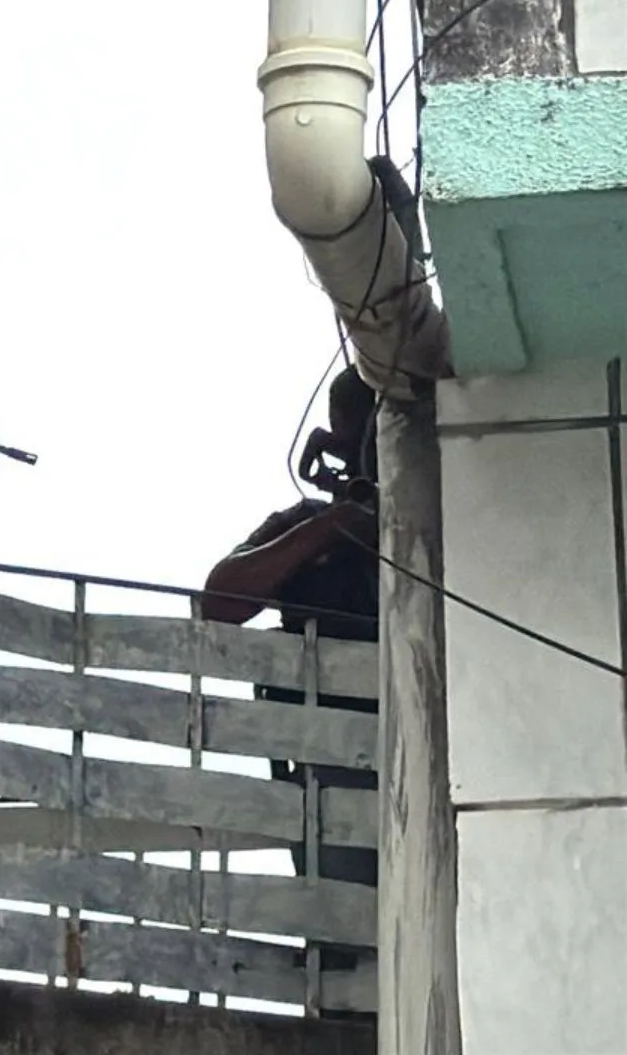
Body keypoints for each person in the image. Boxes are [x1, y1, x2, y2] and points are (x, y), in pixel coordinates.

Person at [200, 363, 378, 1017]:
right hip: (327, 768)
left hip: (422, 751)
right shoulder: (308, 525)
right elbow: (219, 601)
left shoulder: (431, 513)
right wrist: (329, 526)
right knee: (346, 948)